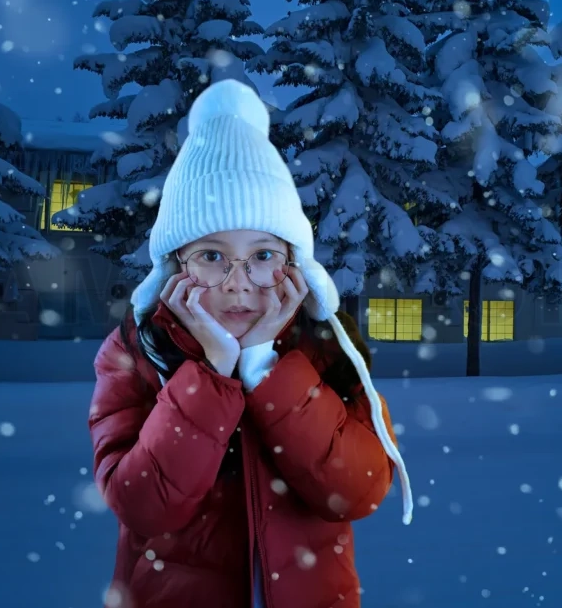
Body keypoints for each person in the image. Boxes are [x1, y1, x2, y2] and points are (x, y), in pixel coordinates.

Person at [87, 79, 413, 608]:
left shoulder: (326, 349)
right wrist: (211, 375)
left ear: (293, 265)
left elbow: (358, 490)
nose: (238, 283)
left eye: (262, 256)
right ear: (175, 267)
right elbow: (143, 505)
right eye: (212, 256)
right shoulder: (136, 353)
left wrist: (267, 368)